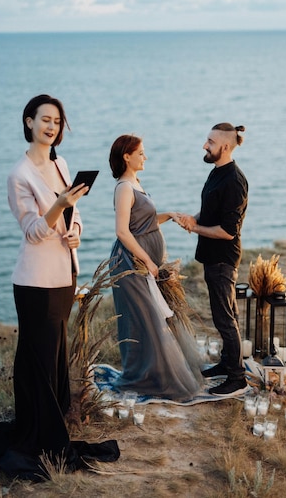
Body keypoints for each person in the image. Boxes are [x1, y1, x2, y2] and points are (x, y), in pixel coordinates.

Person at [0, 94, 119, 479]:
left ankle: (53, 423)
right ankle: (40, 433)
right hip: (35, 282)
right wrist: (58, 205)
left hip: (65, 275)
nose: (52, 127)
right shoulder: (19, 174)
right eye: (45, 119)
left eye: (57, 121)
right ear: (29, 122)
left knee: (54, 356)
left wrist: (75, 230)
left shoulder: (61, 163)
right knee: (39, 360)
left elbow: (75, 215)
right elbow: (32, 232)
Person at [109, 134, 203, 401]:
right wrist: (148, 261)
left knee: (151, 320)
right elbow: (123, 232)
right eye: (141, 153)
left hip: (141, 264)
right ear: (127, 156)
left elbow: (144, 223)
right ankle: (145, 377)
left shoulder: (136, 184)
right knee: (144, 321)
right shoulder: (124, 188)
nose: (145, 157)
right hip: (130, 265)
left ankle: (151, 374)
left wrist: (169, 215)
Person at [176, 123, 249, 398]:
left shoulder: (234, 181)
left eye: (210, 141)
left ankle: (237, 378)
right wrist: (193, 218)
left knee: (225, 319)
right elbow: (211, 213)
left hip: (223, 261)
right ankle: (228, 363)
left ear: (225, 146)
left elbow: (228, 231)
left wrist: (195, 228)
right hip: (212, 258)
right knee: (227, 315)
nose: (204, 145)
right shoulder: (216, 173)